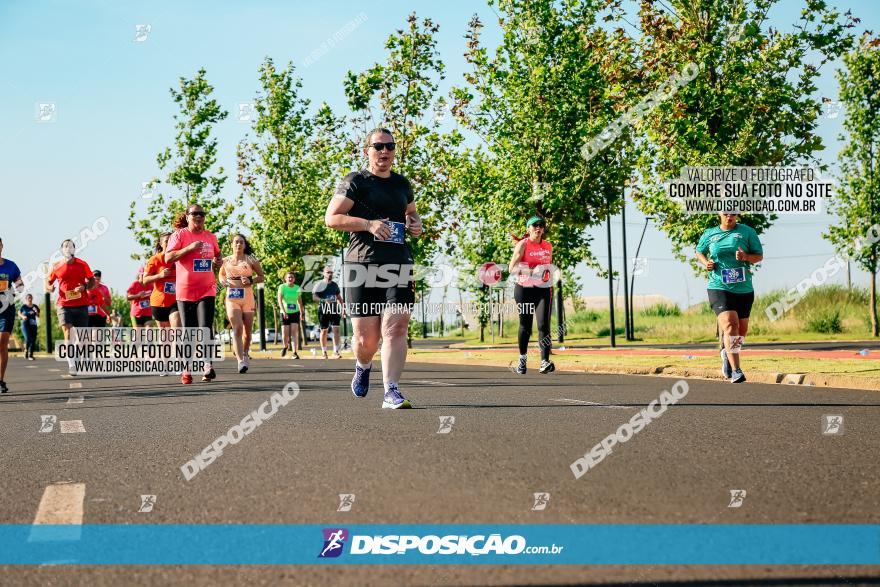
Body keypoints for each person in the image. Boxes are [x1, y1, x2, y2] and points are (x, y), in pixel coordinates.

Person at [325, 127, 423, 409]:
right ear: (367, 150)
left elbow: (411, 212)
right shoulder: (356, 181)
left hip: (398, 263)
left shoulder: (402, 184)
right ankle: (362, 364)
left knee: (396, 327)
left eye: (390, 146)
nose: (384, 151)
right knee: (366, 339)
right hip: (362, 265)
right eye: (378, 146)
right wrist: (368, 224)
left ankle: (391, 390)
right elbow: (331, 218)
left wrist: (416, 223)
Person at [696, 212, 764, 383]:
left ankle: (728, 352)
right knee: (730, 324)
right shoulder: (710, 233)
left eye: (733, 213)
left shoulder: (748, 232)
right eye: (725, 213)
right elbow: (699, 251)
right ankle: (736, 370)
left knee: (741, 331)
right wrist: (706, 263)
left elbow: (759, 255)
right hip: (719, 286)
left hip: (743, 288)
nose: (729, 216)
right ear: (719, 214)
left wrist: (746, 257)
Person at [165, 204, 221, 384]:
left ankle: (206, 366)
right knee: (188, 331)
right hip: (186, 291)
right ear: (187, 217)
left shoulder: (211, 236)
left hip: (207, 289)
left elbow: (218, 256)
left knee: (205, 327)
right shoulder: (180, 235)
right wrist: (189, 248)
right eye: (195, 213)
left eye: (202, 214)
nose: (199, 216)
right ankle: (186, 368)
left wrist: (217, 261)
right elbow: (168, 258)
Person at [508, 216, 555, 375]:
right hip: (524, 289)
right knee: (525, 326)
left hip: (543, 289)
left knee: (544, 325)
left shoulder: (548, 246)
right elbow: (511, 268)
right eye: (535, 225)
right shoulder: (523, 244)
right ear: (528, 229)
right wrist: (532, 271)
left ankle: (544, 361)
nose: (538, 228)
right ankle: (522, 359)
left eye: (541, 225)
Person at [46, 239, 95, 375]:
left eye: (71, 246)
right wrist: (50, 288)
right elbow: (48, 283)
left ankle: (78, 357)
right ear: (62, 250)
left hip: (81, 304)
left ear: (74, 249)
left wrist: (84, 286)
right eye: (65, 246)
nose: (68, 248)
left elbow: (91, 281)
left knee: (82, 338)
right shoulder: (57, 266)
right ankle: (71, 364)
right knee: (67, 333)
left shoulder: (82, 264)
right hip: (64, 304)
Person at [219, 234, 264, 374]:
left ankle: (245, 352)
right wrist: (222, 281)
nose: (238, 244)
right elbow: (221, 275)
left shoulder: (251, 259)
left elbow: (262, 276)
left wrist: (251, 281)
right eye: (236, 242)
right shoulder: (225, 261)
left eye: (241, 242)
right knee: (237, 328)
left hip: (248, 297)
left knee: (248, 332)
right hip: (232, 298)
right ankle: (240, 361)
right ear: (231, 244)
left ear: (245, 245)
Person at [0, 238, 24, 392]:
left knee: (2, 341)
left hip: (6, 307)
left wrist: (17, 288)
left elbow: (20, 284)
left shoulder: (11, 265)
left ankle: (0, 380)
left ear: (2, 246)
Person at [141, 233, 180, 328]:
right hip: (159, 303)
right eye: (167, 241)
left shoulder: (179, 258)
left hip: (176, 301)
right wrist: (160, 275)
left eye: (172, 241)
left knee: (177, 329)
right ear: (161, 243)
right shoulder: (155, 259)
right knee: (165, 338)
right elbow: (145, 280)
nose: (170, 243)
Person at [312, 266, 345, 359]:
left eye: (331, 272)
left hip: (334, 310)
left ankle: (336, 351)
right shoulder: (319, 285)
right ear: (323, 273)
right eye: (328, 272)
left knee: (336, 330)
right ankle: (324, 352)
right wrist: (323, 300)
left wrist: (343, 309)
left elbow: (339, 298)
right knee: (324, 331)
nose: (330, 274)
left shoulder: (334, 285)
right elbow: (314, 297)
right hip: (323, 311)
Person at [277, 271, 304, 359]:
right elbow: (279, 300)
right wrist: (284, 311)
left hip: (295, 312)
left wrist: (301, 312)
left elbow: (299, 301)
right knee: (285, 333)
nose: (290, 279)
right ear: (285, 279)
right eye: (288, 277)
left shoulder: (297, 288)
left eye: (292, 277)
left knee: (294, 333)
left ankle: (295, 353)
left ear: (294, 279)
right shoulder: (282, 287)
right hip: (284, 312)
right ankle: (285, 347)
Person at [19, 293, 40, 360]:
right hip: (25, 324)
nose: (30, 299)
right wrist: (23, 316)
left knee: (33, 340)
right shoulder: (24, 307)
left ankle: (31, 355)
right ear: (26, 299)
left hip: (33, 324)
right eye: (28, 298)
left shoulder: (35, 306)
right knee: (28, 338)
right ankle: (26, 350)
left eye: (31, 297)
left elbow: (38, 316)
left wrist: (36, 312)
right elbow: (19, 312)